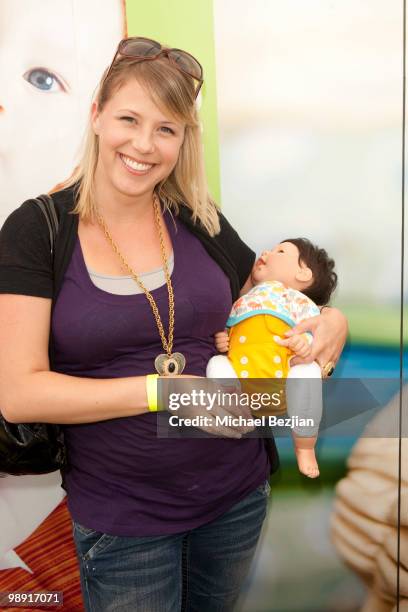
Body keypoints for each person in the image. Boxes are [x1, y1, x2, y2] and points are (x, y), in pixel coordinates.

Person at [0, 37, 348, 611]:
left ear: (184, 139)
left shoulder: (196, 216)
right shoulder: (38, 229)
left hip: (236, 496)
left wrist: (330, 321)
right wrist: (162, 391)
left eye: (166, 128)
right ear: (95, 116)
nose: (144, 144)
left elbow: (269, 301)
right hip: (124, 520)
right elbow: (18, 393)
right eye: (129, 119)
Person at [208, 238, 338, 479]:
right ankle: (233, 418)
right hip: (241, 385)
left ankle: (304, 445)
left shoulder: (298, 301)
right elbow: (228, 328)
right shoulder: (242, 299)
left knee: (306, 370)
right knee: (216, 365)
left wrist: (304, 343)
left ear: (303, 274)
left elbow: (316, 335)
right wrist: (222, 341)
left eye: (280, 251)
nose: (267, 251)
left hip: (282, 381)